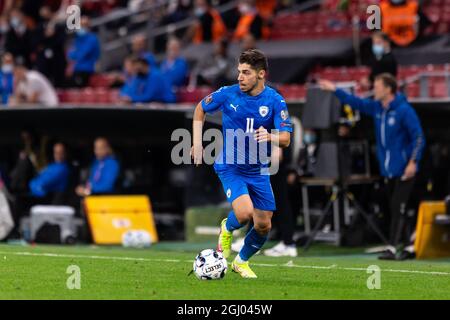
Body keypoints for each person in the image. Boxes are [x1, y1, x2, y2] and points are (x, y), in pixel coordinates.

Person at [191, 49, 293, 278]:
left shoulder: (275, 100)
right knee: (245, 213)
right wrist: (197, 143)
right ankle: (227, 227)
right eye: (239, 72)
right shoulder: (228, 94)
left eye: (246, 73)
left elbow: (286, 139)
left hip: (258, 170)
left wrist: (270, 136)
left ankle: (241, 261)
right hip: (230, 166)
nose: (240, 77)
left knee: (264, 224)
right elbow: (200, 109)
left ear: (261, 74)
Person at [319, 73, 425, 260]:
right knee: (395, 208)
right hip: (388, 170)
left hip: (404, 169)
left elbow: (418, 137)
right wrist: (335, 89)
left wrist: (413, 162)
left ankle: (392, 247)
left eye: (377, 86)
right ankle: (409, 245)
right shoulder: (378, 109)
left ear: (388, 89)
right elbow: (356, 102)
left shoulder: (404, 110)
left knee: (397, 206)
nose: (374, 89)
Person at [67, 15, 100, 87]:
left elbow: (82, 54)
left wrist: (74, 54)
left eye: (84, 25)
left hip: (86, 70)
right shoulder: (78, 39)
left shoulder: (92, 39)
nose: (81, 27)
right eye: (80, 25)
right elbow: (70, 54)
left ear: (88, 26)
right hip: (76, 69)